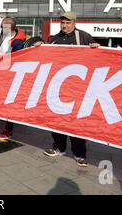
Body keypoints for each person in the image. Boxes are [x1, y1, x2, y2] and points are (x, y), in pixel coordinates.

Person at [35, 11, 100, 167]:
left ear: (74, 23)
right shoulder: (55, 39)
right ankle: (59, 147)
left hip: (78, 89)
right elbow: (47, 58)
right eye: (62, 22)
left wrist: (96, 48)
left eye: (68, 23)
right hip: (57, 88)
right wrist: (39, 48)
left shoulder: (83, 37)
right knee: (56, 119)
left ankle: (79, 154)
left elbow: (95, 59)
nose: (64, 25)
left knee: (76, 122)